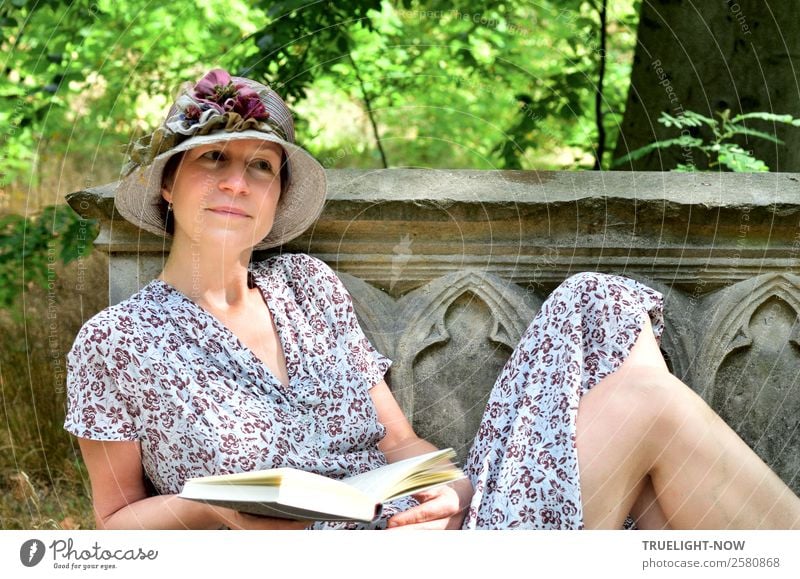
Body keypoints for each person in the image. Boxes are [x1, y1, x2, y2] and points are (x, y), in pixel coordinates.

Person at [64, 68, 800, 531]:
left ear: (277, 195)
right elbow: (115, 524)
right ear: (168, 183)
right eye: (213, 160)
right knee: (650, 406)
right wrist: (216, 506)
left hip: (431, 540)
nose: (236, 182)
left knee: (594, 299)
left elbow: (401, 443)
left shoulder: (307, 289)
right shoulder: (114, 342)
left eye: (261, 166)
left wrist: (448, 488)